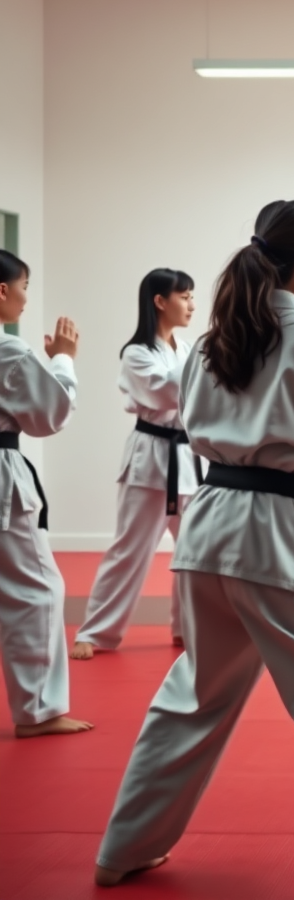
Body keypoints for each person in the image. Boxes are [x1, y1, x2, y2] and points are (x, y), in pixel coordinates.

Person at [93, 201, 294, 900]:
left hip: (209, 531)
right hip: (275, 536)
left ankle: (124, 846)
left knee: (196, 695)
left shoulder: (210, 343)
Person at [72, 269, 200, 660]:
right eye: (184, 296)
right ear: (159, 301)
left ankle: (186, 628)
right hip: (149, 457)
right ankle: (96, 631)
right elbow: (166, 392)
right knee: (130, 549)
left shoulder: (187, 349)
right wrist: (205, 359)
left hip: (187, 459)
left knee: (194, 552)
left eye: (193, 296)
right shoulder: (136, 353)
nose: (192, 304)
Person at [0, 249, 92, 738]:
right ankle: (37, 710)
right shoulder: (8, 350)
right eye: (23, 288)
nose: (24, 298)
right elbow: (51, 414)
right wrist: (63, 359)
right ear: (2, 291)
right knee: (37, 591)